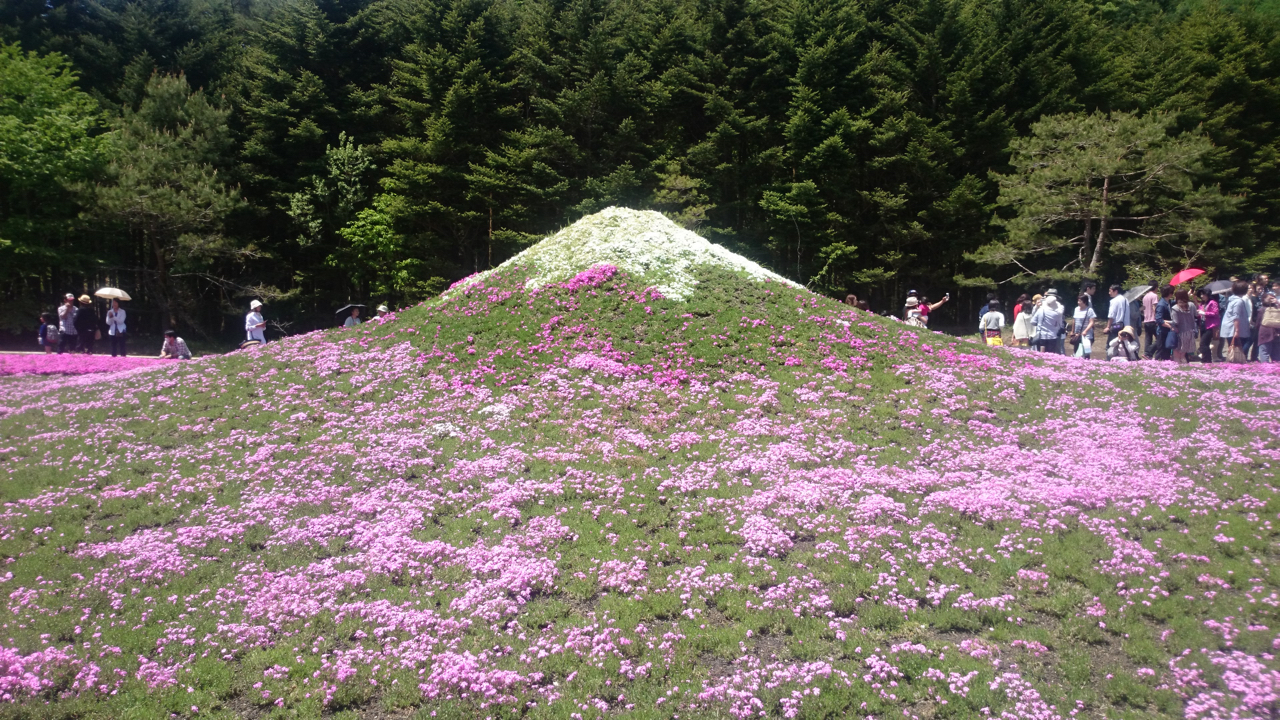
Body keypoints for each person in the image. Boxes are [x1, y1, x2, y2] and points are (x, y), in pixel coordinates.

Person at [1221, 280, 1252, 364]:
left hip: (1230, 326)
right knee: (1238, 345)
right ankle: (1236, 361)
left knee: (1233, 346)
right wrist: (1237, 331)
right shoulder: (1238, 301)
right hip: (1233, 327)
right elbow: (1236, 316)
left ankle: (1235, 361)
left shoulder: (1232, 299)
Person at [1168, 289, 1196, 364]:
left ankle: (1178, 370)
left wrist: (1166, 321)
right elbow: (1196, 315)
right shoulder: (1191, 305)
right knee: (1183, 355)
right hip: (1190, 332)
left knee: (1177, 355)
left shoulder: (1175, 308)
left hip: (1180, 333)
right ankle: (1184, 368)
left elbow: (1176, 322)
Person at [1197, 288, 1221, 363]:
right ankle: (1206, 359)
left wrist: (1205, 313)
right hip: (1203, 324)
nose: (1201, 296)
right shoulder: (1202, 303)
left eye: (1203, 294)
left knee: (1203, 343)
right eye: (1201, 294)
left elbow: (1215, 313)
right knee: (1204, 343)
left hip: (1210, 325)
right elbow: (1200, 311)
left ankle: (1206, 359)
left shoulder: (1213, 302)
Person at [1152, 285, 1174, 361]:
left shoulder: (1169, 302)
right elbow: (1158, 319)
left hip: (1167, 330)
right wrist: (1170, 326)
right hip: (1162, 331)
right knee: (1161, 349)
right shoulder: (1161, 304)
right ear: (1169, 293)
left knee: (1167, 350)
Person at [1071, 293, 1096, 358]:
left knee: (1086, 352)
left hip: (1087, 335)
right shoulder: (1076, 309)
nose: (1078, 302)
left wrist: (1085, 331)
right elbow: (1074, 320)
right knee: (1076, 351)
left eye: (1080, 301)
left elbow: (1091, 322)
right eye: (1078, 300)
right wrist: (1072, 331)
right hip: (1077, 334)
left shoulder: (1089, 310)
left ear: (1084, 302)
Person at [1256, 292, 1280, 363]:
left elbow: (1258, 322)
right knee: (1276, 354)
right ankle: (1276, 369)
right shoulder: (1277, 309)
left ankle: (1266, 368)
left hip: (1265, 332)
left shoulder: (1262, 309)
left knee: (1264, 351)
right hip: (1277, 332)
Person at [1141, 286, 1159, 358]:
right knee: (1160, 338)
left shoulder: (1145, 297)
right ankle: (1149, 352)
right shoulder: (1154, 295)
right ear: (1155, 287)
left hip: (1146, 320)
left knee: (1148, 338)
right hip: (1153, 320)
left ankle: (1147, 354)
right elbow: (1155, 307)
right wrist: (1157, 318)